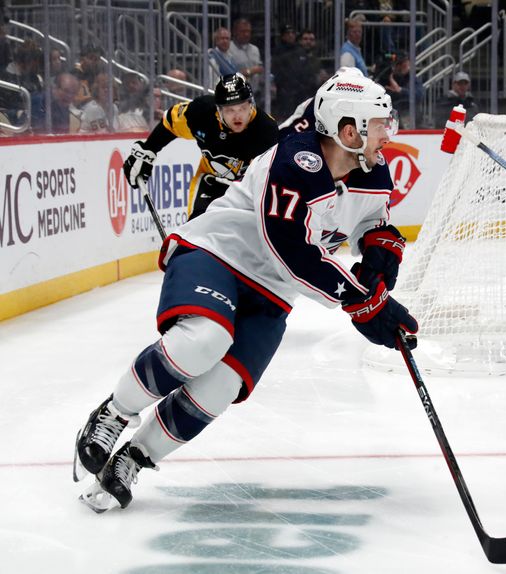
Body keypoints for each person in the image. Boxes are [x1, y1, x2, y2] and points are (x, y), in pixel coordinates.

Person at [72, 70, 417, 512]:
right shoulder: (295, 160)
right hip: (219, 253)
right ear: (349, 130)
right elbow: (292, 250)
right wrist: (365, 304)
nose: (388, 133)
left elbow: (376, 223)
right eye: (379, 124)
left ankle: (134, 458)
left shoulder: (370, 166)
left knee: (220, 386)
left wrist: (379, 269)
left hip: (273, 291)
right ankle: (114, 413)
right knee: (204, 341)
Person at [122, 73, 279, 219]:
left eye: (242, 108)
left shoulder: (266, 130)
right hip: (210, 181)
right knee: (196, 236)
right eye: (230, 110)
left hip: (248, 193)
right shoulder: (201, 113)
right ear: (219, 109)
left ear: (251, 105)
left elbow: (270, 180)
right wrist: (148, 150)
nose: (237, 116)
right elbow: (170, 123)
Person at [228, 18, 265, 97]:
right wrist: (249, 71)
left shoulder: (255, 49)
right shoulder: (228, 49)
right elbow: (229, 74)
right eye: (243, 31)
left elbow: (260, 68)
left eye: (248, 31)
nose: (246, 34)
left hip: (255, 93)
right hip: (236, 94)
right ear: (234, 32)